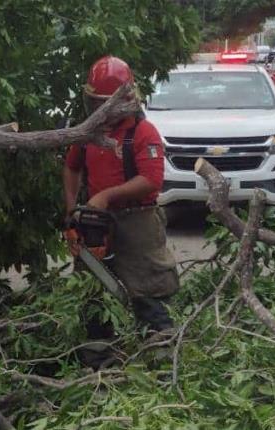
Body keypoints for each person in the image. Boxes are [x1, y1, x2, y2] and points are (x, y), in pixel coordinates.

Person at [63, 56, 180, 339]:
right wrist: (71, 214)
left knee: (147, 288)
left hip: (136, 219)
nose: (99, 108)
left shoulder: (142, 132)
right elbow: (71, 166)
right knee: (93, 294)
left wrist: (105, 195)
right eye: (96, 102)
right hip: (97, 220)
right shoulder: (88, 131)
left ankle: (161, 350)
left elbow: (151, 179)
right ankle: (99, 358)